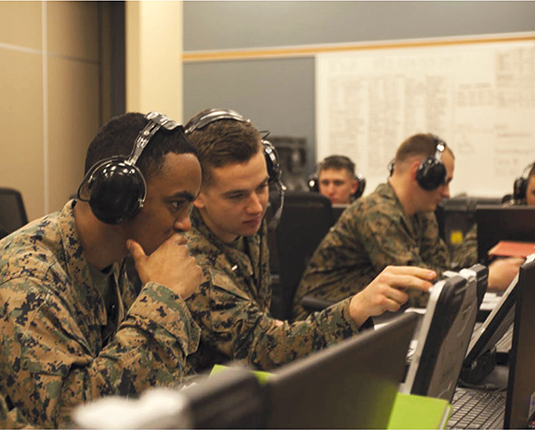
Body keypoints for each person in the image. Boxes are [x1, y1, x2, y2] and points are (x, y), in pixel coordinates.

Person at [182, 108, 435, 373]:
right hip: (206, 401)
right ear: (196, 193)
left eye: (262, 186)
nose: (256, 207)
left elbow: (258, 330)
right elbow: (265, 349)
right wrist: (357, 307)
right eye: (236, 196)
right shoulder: (192, 261)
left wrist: (270, 329)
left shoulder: (243, 223)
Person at [0, 112, 204, 428]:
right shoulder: (28, 281)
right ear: (119, 198)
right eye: (177, 204)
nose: (186, 224)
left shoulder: (115, 259)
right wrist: (163, 301)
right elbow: (72, 418)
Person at [293, 133, 522, 320]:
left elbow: (439, 270)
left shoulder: (423, 212)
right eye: (444, 182)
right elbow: (415, 289)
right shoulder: (377, 212)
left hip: (372, 318)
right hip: (322, 319)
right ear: (420, 174)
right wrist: (488, 278)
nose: (447, 193)